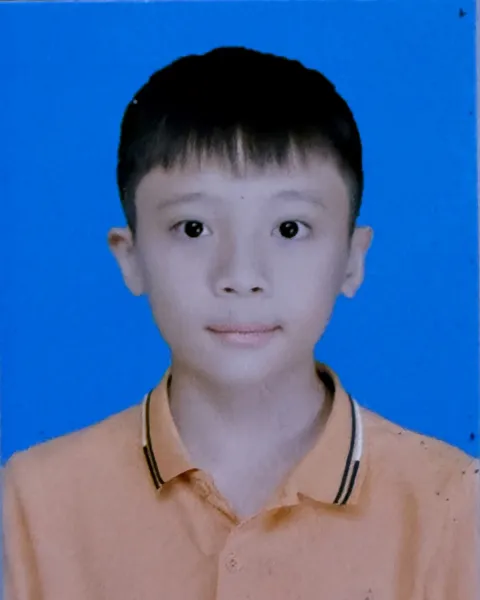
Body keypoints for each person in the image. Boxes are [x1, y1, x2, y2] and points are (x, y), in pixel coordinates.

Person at [3, 46, 479, 600]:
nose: (242, 276)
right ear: (130, 257)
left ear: (353, 258)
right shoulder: (27, 503)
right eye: (193, 228)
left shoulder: (456, 506)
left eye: (289, 229)